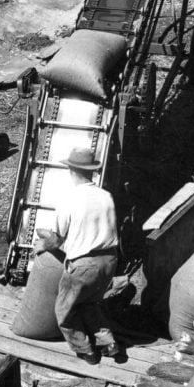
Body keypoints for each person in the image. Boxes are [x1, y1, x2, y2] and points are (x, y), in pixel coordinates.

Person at [34, 145, 120, 365]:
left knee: (64, 309)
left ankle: (86, 351)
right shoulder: (106, 196)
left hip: (85, 265)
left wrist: (42, 244)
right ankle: (108, 343)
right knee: (89, 303)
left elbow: (57, 240)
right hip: (110, 261)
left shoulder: (69, 198)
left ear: (71, 170)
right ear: (92, 171)